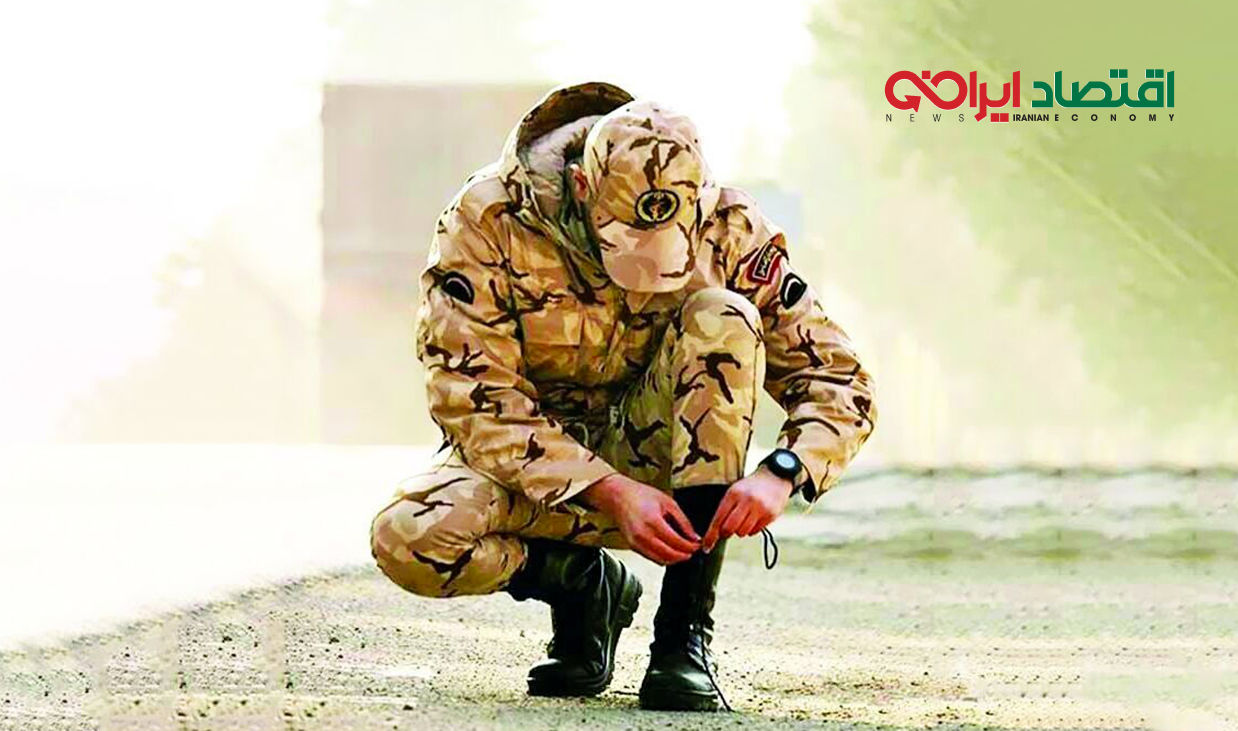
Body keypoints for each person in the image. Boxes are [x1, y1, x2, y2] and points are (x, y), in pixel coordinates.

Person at [370, 81, 875, 712]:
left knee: (723, 319)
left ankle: (683, 641)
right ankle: (585, 588)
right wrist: (607, 489)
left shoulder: (730, 228)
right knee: (410, 537)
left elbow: (838, 379)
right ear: (582, 187)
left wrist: (784, 469)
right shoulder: (488, 219)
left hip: (664, 468)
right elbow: (473, 396)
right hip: (538, 467)